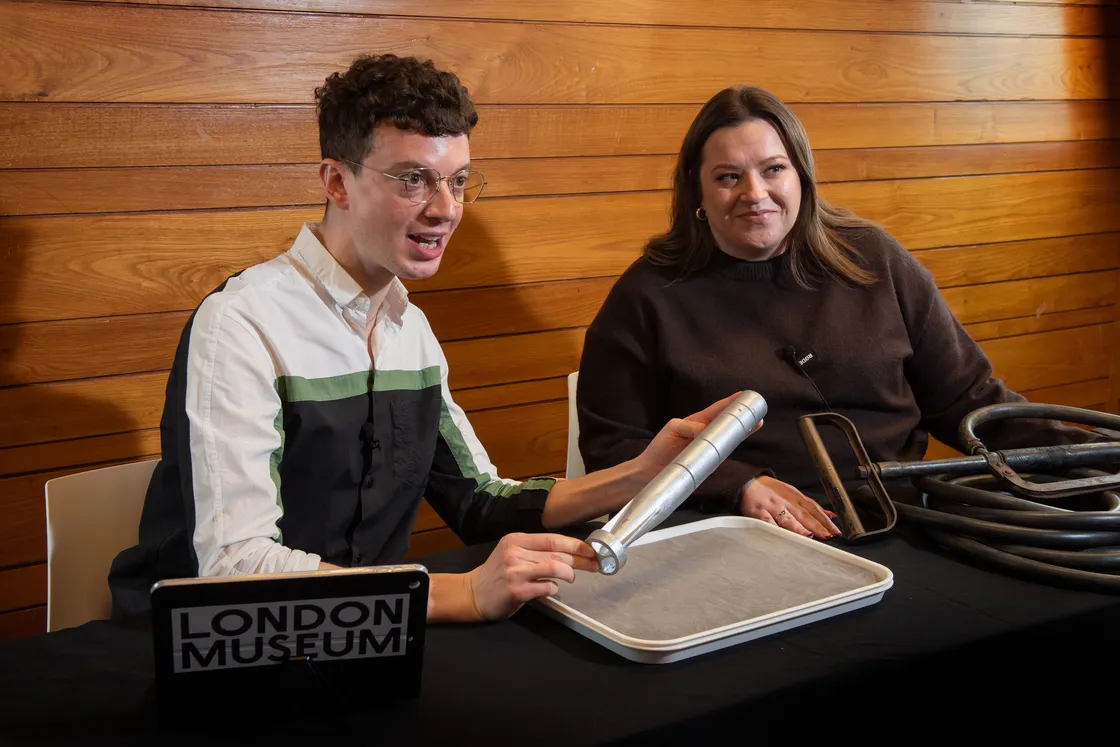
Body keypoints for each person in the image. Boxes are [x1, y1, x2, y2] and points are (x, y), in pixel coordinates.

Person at [107, 54, 744, 623]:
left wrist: (644, 473)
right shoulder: (241, 322)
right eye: (413, 179)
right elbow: (234, 567)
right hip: (210, 649)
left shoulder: (409, 327)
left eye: (458, 180)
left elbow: (479, 500)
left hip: (371, 635)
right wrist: (459, 592)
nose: (445, 209)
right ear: (336, 182)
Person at [576, 85, 1103, 542]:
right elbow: (613, 446)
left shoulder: (874, 259)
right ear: (697, 191)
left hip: (901, 523)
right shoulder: (648, 293)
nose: (754, 194)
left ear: (801, 176)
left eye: (773, 169)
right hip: (731, 534)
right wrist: (739, 485)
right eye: (728, 177)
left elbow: (971, 401)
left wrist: (1092, 460)